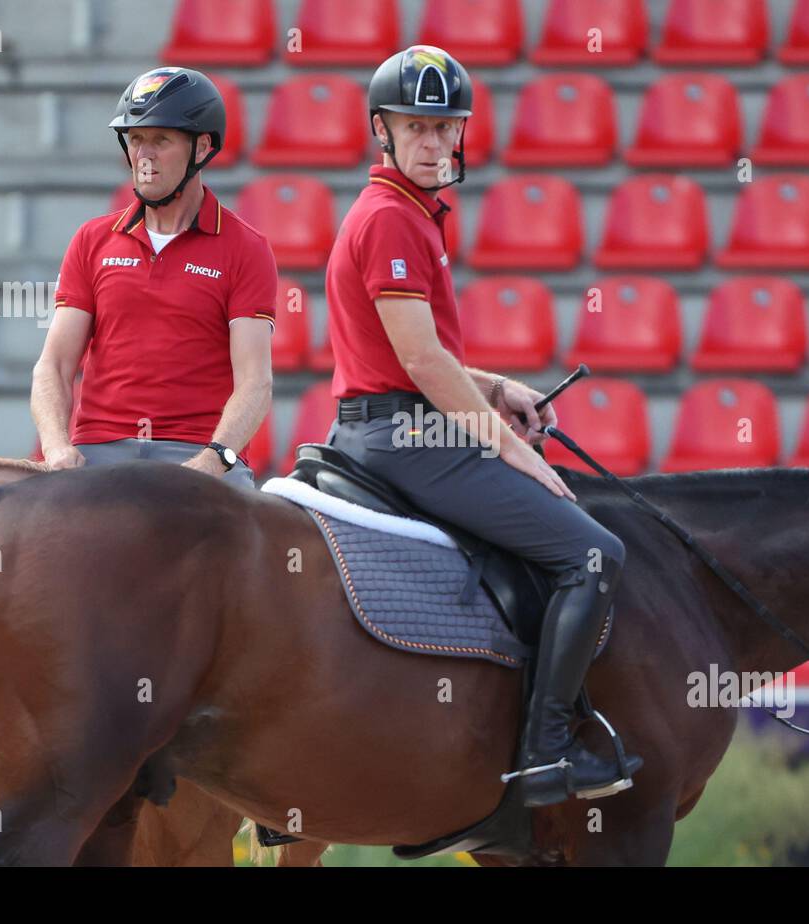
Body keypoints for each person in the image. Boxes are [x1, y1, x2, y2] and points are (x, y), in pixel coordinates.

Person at [324, 46, 643, 807]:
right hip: (403, 436)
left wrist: (497, 389)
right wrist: (510, 451)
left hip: (392, 422)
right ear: (384, 132)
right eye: (417, 128)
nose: (434, 144)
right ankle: (545, 751)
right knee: (594, 555)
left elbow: (421, 357)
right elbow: (420, 363)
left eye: (447, 128)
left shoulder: (411, 214)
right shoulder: (393, 219)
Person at [32, 66, 277, 489]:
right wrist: (56, 448)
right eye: (136, 139)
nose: (143, 155)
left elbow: (256, 383)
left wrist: (215, 459)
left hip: (197, 454)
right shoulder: (91, 240)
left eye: (160, 140)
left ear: (202, 148)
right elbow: (53, 366)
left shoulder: (246, 248)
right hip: (99, 451)